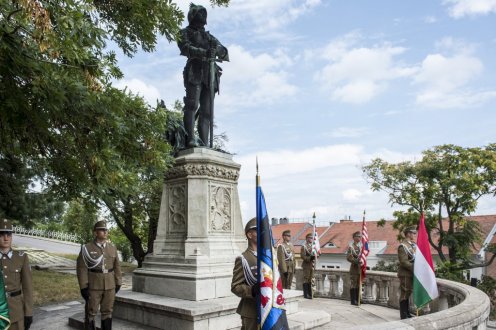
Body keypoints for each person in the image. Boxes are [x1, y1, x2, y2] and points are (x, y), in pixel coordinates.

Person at [177, 3, 229, 148]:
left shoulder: (209, 37)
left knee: (207, 111)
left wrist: (216, 50)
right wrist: (203, 52)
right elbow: (185, 48)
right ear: (192, 16)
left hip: (210, 73)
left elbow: (224, 52)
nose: (203, 16)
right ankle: (190, 139)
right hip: (194, 70)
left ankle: (205, 143)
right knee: (192, 105)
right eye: (200, 13)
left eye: (204, 14)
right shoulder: (184, 33)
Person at [77, 221, 122, 330]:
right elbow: (82, 268)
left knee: (107, 312)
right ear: (95, 232)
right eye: (102, 230)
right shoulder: (87, 248)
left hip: (110, 285)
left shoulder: (112, 248)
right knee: (91, 312)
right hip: (94, 286)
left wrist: (118, 282)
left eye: (106, 230)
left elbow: (117, 267)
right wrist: (83, 286)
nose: (105, 232)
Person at [0, 219, 33, 330]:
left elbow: (27, 288)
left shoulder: (21, 257)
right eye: (2, 234)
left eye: (8, 234)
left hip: (16, 313)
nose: (6, 238)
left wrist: (28, 313)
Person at [231, 218, 258, 330]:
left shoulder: (268, 256)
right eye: (258, 230)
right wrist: (252, 290)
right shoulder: (243, 259)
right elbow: (235, 287)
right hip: (251, 311)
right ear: (250, 235)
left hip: (268, 308)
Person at [397, 227, 417, 319]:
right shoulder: (403, 246)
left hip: (410, 273)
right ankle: (403, 314)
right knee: (405, 293)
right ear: (408, 234)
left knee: (408, 292)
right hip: (405, 273)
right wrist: (415, 268)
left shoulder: (413, 245)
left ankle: (407, 312)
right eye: (413, 233)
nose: (414, 234)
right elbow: (404, 262)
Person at [346, 231, 362, 305]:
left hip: (359, 269)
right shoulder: (351, 247)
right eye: (358, 236)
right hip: (354, 269)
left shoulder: (359, 247)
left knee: (358, 284)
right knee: (354, 284)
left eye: (360, 236)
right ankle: (353, 300)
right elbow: (349, 258)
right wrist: (356, 261)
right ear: (354, 238)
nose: (360, 238)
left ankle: (358, 299)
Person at [300, 232, 315, 299]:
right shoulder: (304, 246)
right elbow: (303, 256)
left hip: (312, 265)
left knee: (311, 279)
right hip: (306, 265)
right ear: (306, 239)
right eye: (310, 238)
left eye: (312, 238)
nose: (311, 239)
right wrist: (309, 258)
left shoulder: (313, 246)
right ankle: (306, 294)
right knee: (306, 279)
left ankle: (311, 293)